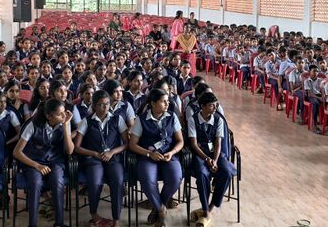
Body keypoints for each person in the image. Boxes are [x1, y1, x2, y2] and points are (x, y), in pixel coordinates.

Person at [13, 99, 74, 227]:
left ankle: (59, 223)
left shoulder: (64, 123)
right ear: (48, 116)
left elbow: (69, 151)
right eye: (60, 114)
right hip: (33, 162)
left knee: (57, 181)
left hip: (55, 161)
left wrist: (65, 126)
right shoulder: (33, 125)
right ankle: (33, 224)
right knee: (35, 184)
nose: (64, 116)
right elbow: (17, 152)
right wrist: (37, 165)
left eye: (64, 113)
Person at [128, 89, 185, 227]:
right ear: (153, 103)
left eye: (167, 101)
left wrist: (172, 152)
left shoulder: (172, 117)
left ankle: (157, 207)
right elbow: (132, 145)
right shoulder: (141, 119)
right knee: (147, 179)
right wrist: (149, 153)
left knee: (176, 177)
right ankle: (161, 210)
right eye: (163, 101)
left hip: (168, 155)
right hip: (148, 156)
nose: (167, 104)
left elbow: (180, 141)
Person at [74, 90, 128, 227]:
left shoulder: (117, 119)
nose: (105, 108)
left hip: (113, 157)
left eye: (107, 104)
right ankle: (94, 214)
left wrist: (112, 152)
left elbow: (127, 143)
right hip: (94, 159)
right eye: (101, 105)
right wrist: (94, 154)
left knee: (117, 181)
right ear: (94, 106)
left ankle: (116, 219)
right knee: (95, 182)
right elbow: (77, 147)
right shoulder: (86, 121)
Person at [187, 92, 235, 227]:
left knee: (226, 172)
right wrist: (207, 159)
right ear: (202, 106)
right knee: (202, 175)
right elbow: (194, 144)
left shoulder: (218, 119)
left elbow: (218, 142)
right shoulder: (193, 119)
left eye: (216, 105)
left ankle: (209, 208)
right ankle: (206, 212)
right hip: (200, 155)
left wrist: (214, 160)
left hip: (216, 154)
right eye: (211, 105)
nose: (215, 108)